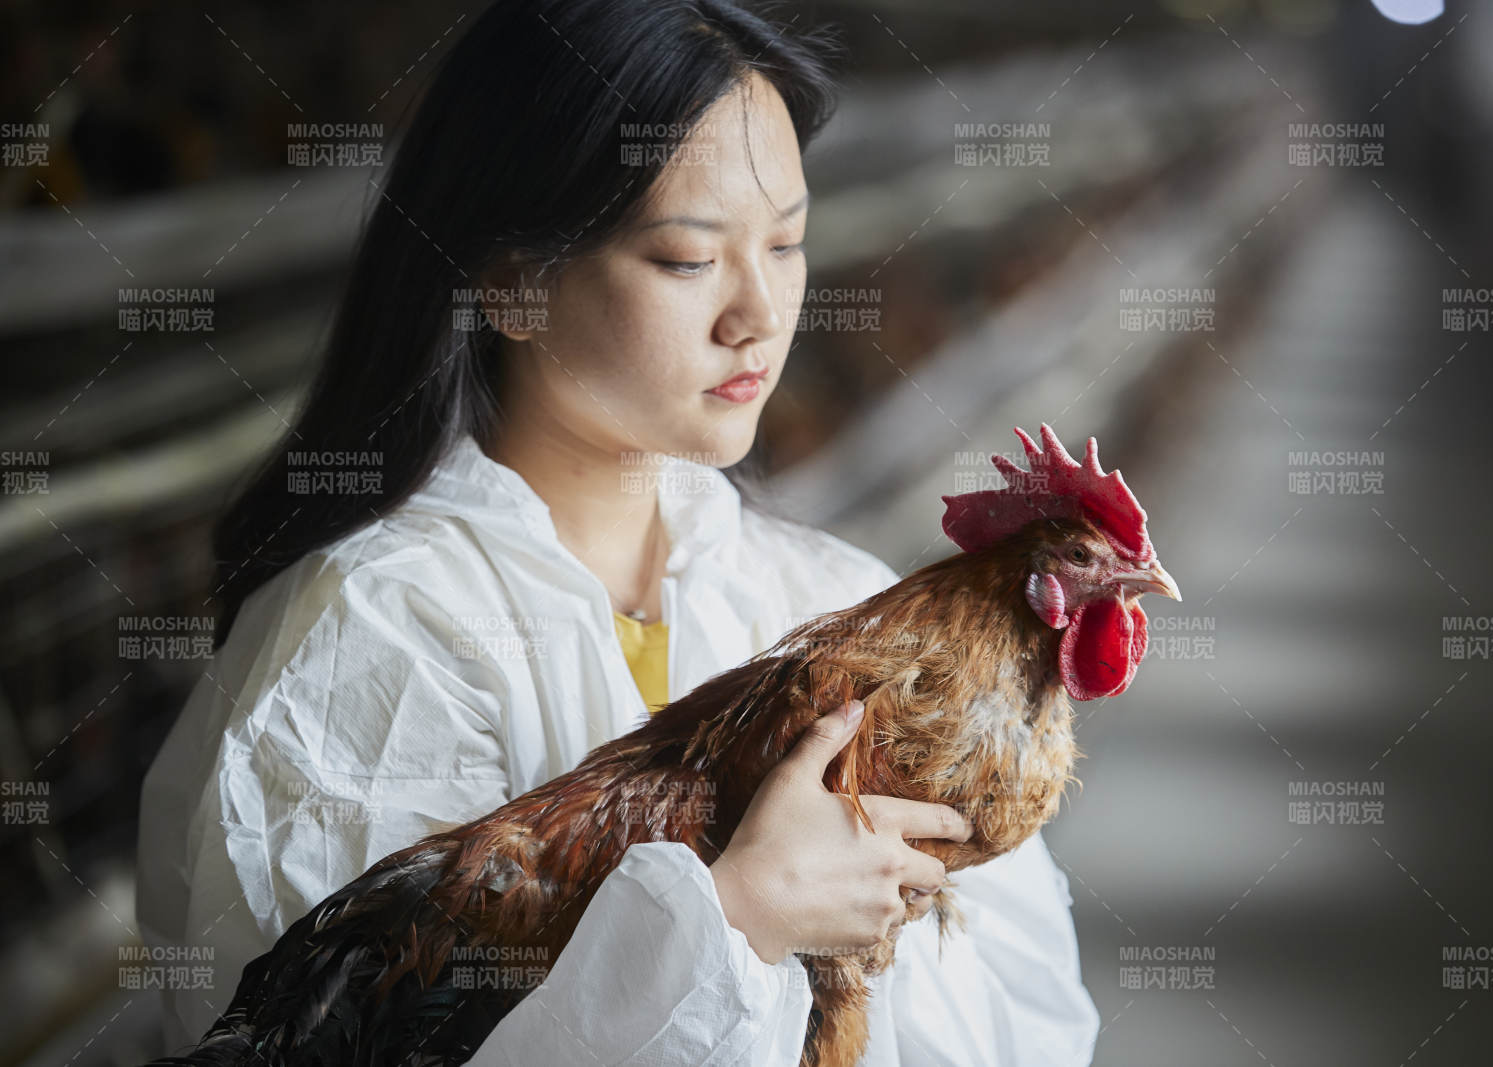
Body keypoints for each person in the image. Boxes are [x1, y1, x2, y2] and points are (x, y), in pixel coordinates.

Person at [134, 0, 1100, 1063]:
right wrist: (741, 919)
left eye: (786, 243)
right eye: (687, 258)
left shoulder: (824, 596)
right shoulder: (367, 643)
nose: (759, 313)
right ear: (513, 285)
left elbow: (1030, 1016)